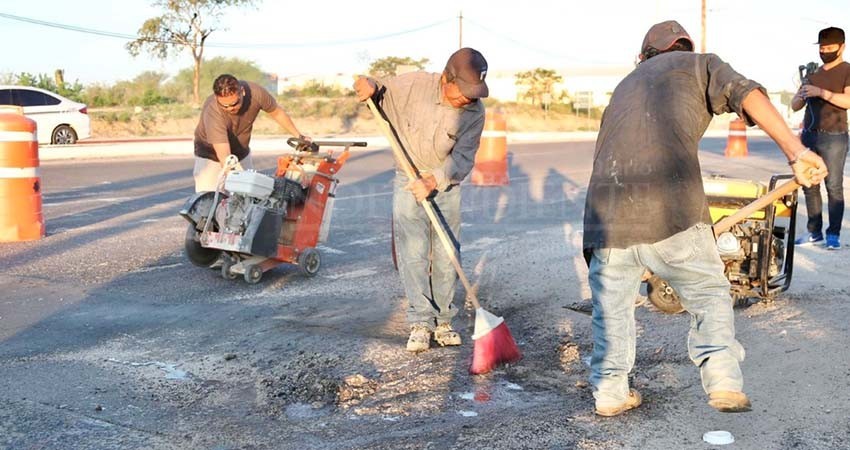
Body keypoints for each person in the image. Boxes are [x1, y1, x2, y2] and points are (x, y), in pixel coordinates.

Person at [582, 20, 827, 417]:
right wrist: (796, 153)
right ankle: (724, 380)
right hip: (670, 209)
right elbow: (747, 94)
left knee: (610, 311)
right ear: (684, 48)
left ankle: (609, 392)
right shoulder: (699, 64)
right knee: (709, 295)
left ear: (643, 56)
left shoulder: (626, 84)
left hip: (606, 216)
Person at [353, 48, 488, 352]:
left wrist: (434, 180)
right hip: (407, 176)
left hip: (445, 181)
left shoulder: (475, 113)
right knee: (413, 252)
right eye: (464, 92)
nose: (468, 99)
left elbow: (464, 158)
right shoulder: (413, 85)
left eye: (474, 93)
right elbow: (378, 88)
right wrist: (369, 85)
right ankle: (420, 321)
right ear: (445, 79)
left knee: (446, 253)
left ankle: (443, 320)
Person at [193, 74, 310, 192]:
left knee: (251, 196)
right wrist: (234, 178)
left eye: (234, 104)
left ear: (242, 92)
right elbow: (225, 157)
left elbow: (276, 112)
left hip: (241, 151)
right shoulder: (213, 111)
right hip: (210, 157)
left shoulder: (256, 93)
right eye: (225, 106)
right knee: (209, 200)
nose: (230, 109)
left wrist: (299, 136)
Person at [791, 27, 850, 250]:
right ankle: (813, 232)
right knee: (809, 185)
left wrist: (821, 93)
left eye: (829, 48)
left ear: (841, 47)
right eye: (822, 48)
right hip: (809, 135)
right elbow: (795, 106)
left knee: (833, 186)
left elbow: (848, 101)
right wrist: (802, 92)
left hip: (835, 137)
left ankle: (833, 234)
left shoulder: (847, 70)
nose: (824, 51)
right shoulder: (812, 74)